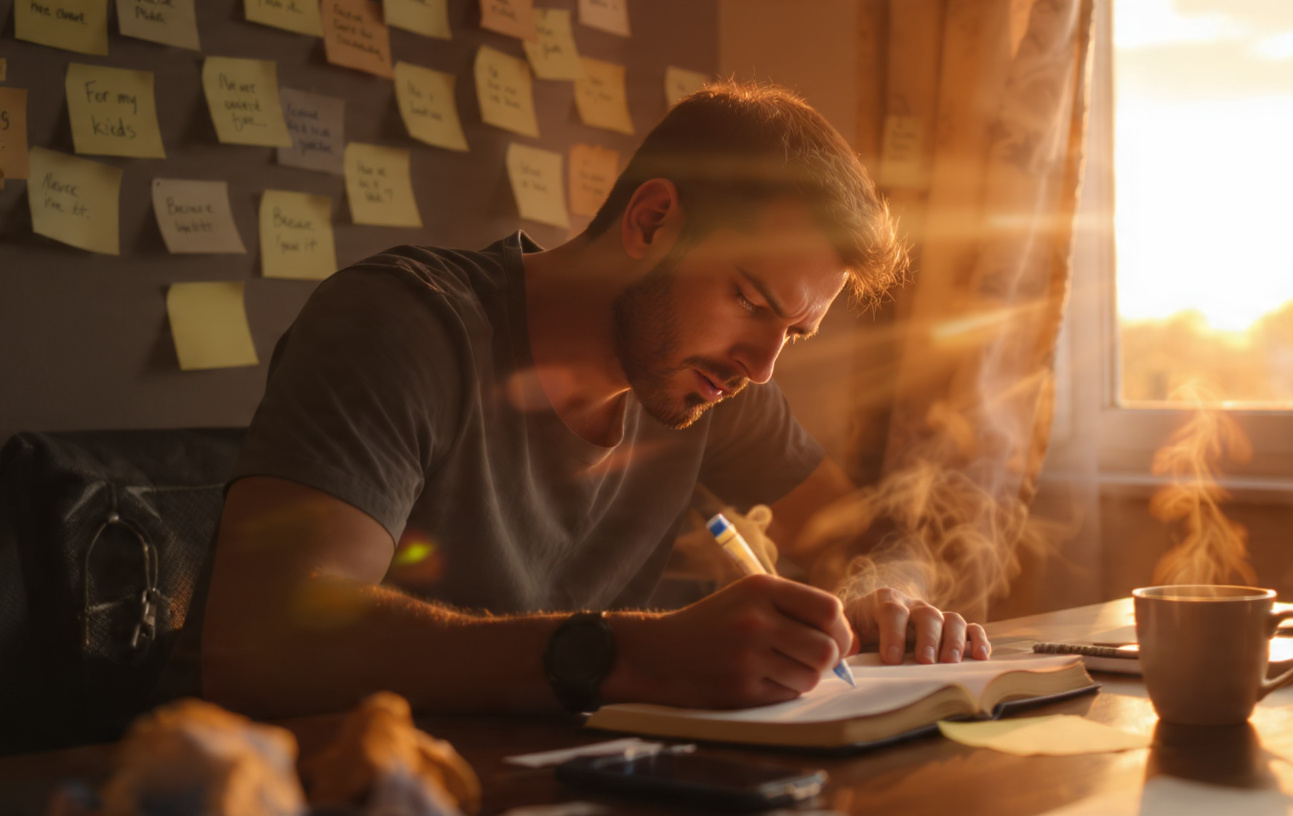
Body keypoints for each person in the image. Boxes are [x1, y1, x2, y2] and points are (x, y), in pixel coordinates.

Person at [200, 81, 990, 719]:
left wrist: (884, 598)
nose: (762, 366)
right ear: (652, 221)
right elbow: (262, 639)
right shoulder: (401, 327)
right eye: (750, 301)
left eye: (796, 332)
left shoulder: (716, 385)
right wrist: (632, 654)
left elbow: (863, 532)